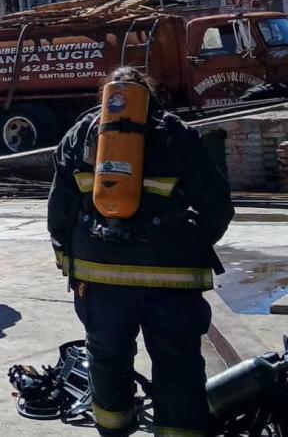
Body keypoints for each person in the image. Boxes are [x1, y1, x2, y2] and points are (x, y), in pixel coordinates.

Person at [47, 66, 235, 436]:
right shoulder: (176, 133)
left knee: (107, 355)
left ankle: (114, 428)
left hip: (98, 276)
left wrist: (70, 263)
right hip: (172, 278)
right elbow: (218, 205)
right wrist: (189, 245)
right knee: (177, 363)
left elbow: (59, 211)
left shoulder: (78, 136)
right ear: (150, 94)